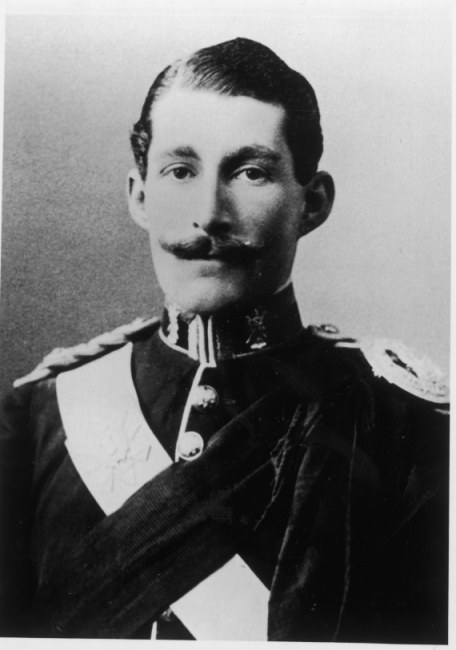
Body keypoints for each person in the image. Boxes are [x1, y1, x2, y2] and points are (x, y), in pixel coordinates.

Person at [0, 37, 449, 642]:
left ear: (311, 204)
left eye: (250, 172)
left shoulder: (406, 427)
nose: (208, 213)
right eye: (180, 171)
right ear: (139, 197)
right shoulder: (36, 419)